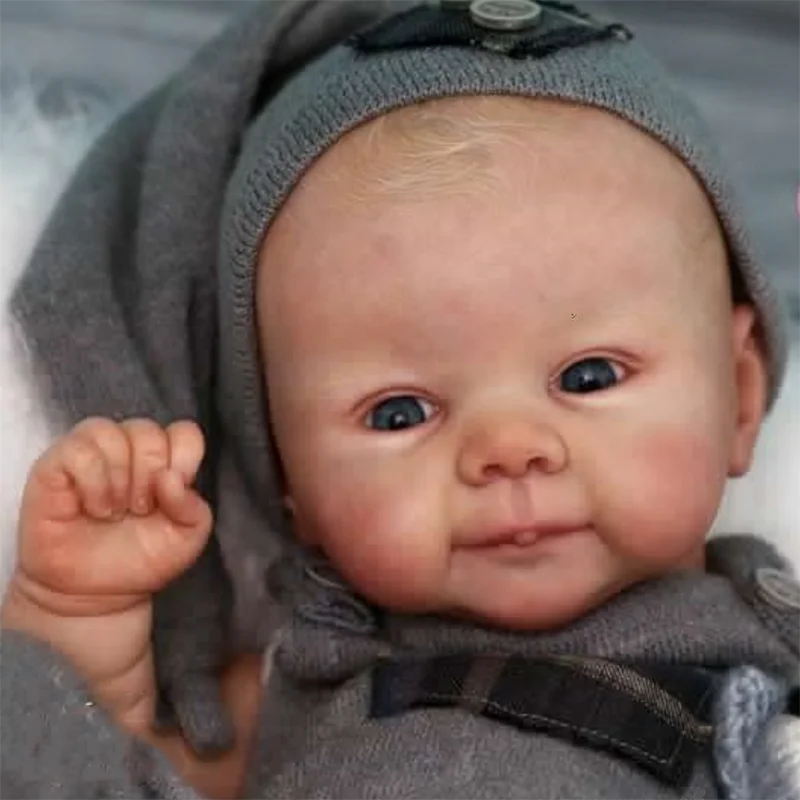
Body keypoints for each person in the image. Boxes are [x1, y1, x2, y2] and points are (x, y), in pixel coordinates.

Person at [3, 0, 800, 798]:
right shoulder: (308, 682)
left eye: (589, 376)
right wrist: (77, 610)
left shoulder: (765, 657)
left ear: (739, 396)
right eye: (399, 414)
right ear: (290, 478)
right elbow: (98, 764)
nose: (509, 448)